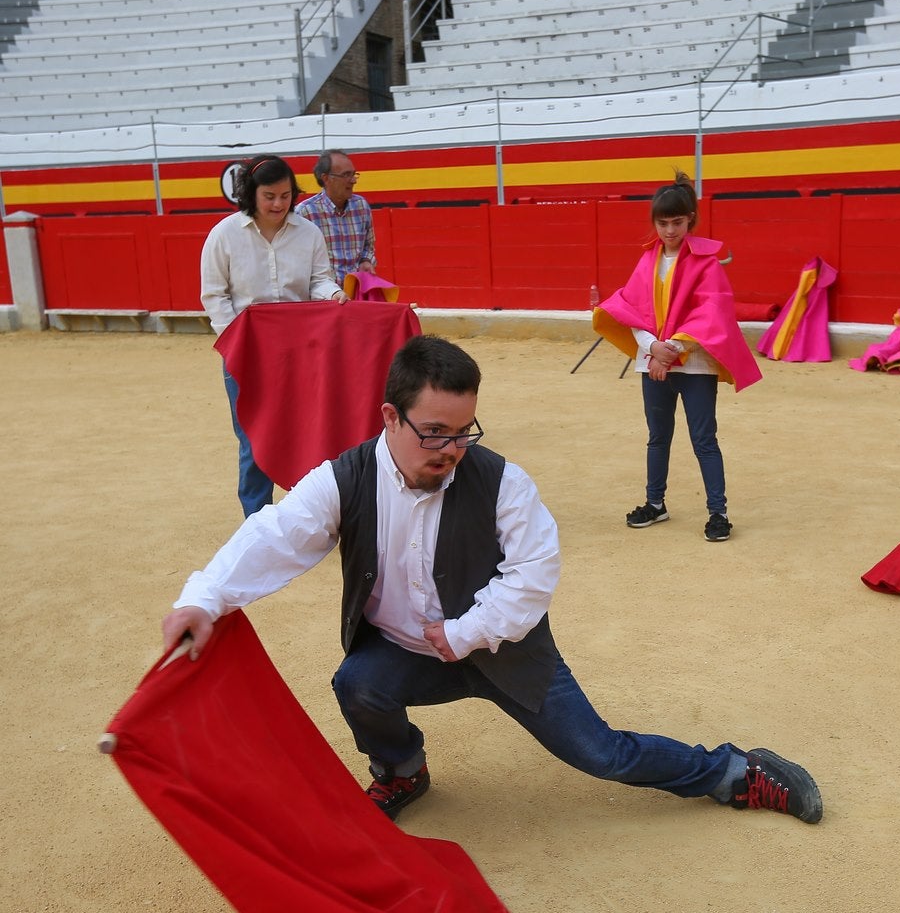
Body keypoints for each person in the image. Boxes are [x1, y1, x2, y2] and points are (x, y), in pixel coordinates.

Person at [161, 335, 822, 826]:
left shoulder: (504, 481)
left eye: (462, 432)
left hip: (506, 652)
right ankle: (401, 770)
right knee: (356, 684)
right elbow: (272, 538)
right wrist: (203, 598)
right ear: (390, 417)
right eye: (434, 433)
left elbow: (534, 574)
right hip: (406, 651)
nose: (450, 449)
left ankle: (735, 771)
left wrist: (464, 633)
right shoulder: (344, 479)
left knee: (602, 755)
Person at [592, 172, 760, 543]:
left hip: (693, 365)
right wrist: (653, 348)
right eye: (663, 223)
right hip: (654, 361)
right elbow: (632, 310)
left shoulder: (707, 262)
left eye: (677, 222)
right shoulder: (647, 261)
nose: (670, 230)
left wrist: (670, 352)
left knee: (704, 438)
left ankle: (718, 512)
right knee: (658, 437)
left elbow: (711, 316)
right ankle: (656, 504)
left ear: (691, 221)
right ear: (654, 223)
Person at [200, 154, 346, 517]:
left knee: (308, 432)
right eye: (270, 196)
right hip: (246, 352)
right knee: (253, 438)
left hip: (300, 350)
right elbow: (214, 295)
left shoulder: (308, 232)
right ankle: (257, 520)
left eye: (285, 195)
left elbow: (318, 281)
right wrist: (236, 341)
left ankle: (311, 513)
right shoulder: (224, 235)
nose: (279, 204)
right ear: (252, 194)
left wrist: (334, 294)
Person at [295, 149, 377, 284]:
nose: (353, 181)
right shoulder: (305, 213)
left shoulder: (361, 206)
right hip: (324, 297)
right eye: (346, 175)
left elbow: (368, 245)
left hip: (357, 292)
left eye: (353, 174)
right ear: (326, 178)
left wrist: (366, 260)